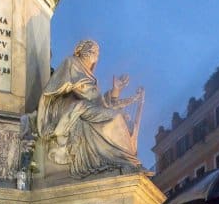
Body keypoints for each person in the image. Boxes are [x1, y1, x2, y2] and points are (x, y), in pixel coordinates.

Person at [35, 39, 144, 177]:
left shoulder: (91, 76)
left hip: (88, 106)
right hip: (73, 106)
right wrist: (73, 88)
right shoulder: (71, 62)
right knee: (116, 117)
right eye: (93, 50)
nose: (96, 54)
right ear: (83, 51)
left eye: (97, 52)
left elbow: (98, 100)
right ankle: (122, 160)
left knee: (120, 118)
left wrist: (116, 90)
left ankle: (126, 160)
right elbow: (58, 88)